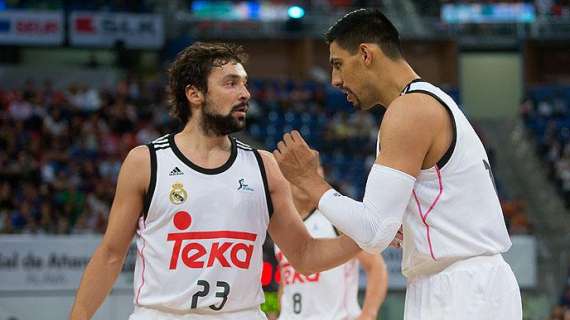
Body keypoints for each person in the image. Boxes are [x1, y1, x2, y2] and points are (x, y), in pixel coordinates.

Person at [69, 42, 361, 320]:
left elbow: (305, 254)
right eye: (231, 83)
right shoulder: (145, 162)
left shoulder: (264, 166)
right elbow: (110, 255)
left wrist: (370, 234)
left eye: (244, 83)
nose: (245, 93)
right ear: (195, 94)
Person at [273, 8, 522, 320]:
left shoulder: (410, 110)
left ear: (365, 54)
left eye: (338, 65)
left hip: (461, 288)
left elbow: (374, 232)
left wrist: (310, 180)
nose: (335, 80)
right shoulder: (423, 103)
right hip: (458, 283)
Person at [275, 175, 388, 320]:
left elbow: (376, 267)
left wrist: (368, 314)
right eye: (296, 172)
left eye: (312, 170)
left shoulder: (336, 218)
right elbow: (286, 281)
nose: (301, 176)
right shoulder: (281, 226)